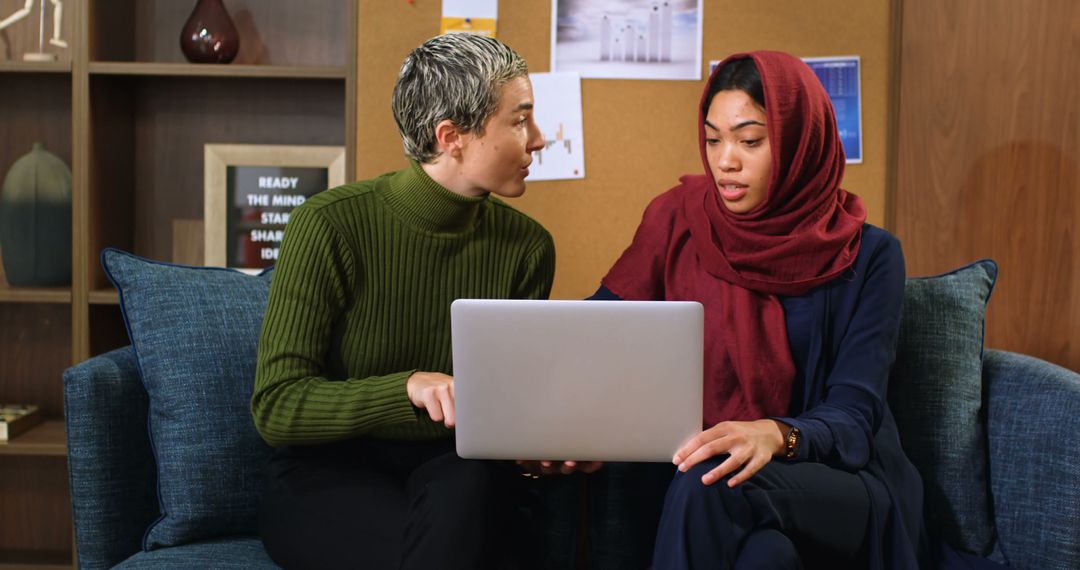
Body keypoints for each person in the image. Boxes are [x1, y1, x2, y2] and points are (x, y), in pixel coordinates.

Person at [592, 51, 928, 569]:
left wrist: (774, 433)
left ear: (799, 142)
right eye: (713, 139)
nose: (726, 159)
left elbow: (855, 415)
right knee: (765, 556)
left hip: (837, 480)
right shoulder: (675, 219)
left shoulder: (872, 255)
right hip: (715, 487)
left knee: (710, 478)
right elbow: (597, 332)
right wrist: (571, 419)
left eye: (750, 141)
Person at [251, 33, 557, 569]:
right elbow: (277, 406)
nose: (537, 139)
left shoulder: (527, 248)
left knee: (474, 493)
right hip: (326, 471)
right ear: (452, 136)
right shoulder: (327, 225)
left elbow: (508, 405)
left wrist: (549, 436)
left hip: (458, 468)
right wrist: (407, 388)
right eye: (519, 120)